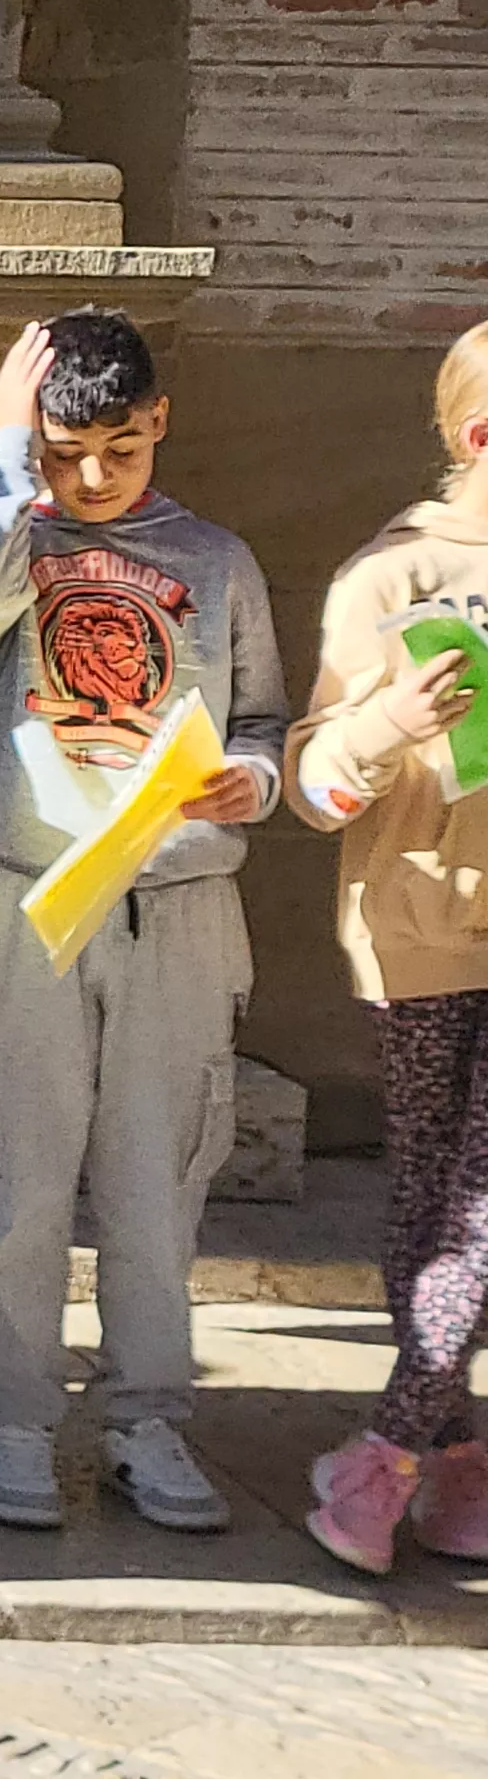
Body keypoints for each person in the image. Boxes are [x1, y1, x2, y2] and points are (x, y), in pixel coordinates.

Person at [0, 309, 282, 1538]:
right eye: (66, 450)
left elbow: (259, 719)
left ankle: (146, 1415)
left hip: (177, 896)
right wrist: (0, 452)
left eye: (118, 452)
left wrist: (256, 778)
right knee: (17, 1172)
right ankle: (13, 1418)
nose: (92, 477)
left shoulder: (217, 558)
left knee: (157, 1174)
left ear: (158, 426)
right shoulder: (13, 531)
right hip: (27, 886)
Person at [291, 321, 488, 1573]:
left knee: (481, 1215)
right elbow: (313, 786)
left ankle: (381, 1457)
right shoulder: (389, 576)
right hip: (417, 926)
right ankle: (451, 1459)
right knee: (427, 1202)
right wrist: (386, 719)